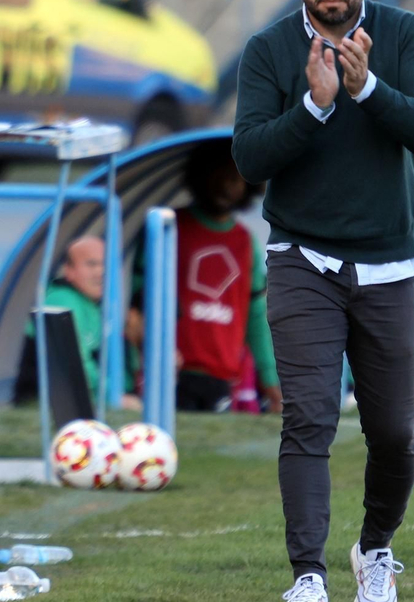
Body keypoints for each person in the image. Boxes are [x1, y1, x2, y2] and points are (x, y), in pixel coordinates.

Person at [232, 0, 414, 602]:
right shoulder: (267, 51)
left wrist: (366, 92)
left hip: (389, 264)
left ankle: (376, 551)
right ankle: (307, 580)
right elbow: (250, 158)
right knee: (309, 420)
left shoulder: (404, 34)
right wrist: (315, 109)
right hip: (302, 259)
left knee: (393, 432)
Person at [126, 140, 281, 414]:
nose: (225, 185)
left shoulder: (245, 242)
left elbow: (255, 314)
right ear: (199, 175)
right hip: (170, 369)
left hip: (221, 373)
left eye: (234, 178)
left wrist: (270, 379)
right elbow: (138, 303)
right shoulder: (167, 226)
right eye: (217, 174)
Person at [17, 236, 114, 407]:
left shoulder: (91, 304)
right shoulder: (62, 301)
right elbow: (78, 365)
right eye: (91, 264)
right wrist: (114, 396)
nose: (101, 271)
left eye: (105, 263)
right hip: (44, 407)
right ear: (69, 270)